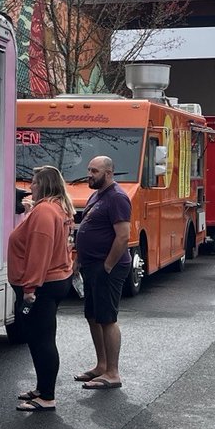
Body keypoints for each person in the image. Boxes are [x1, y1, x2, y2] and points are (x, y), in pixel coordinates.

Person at [9, 166, 75, 412]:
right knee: (40, 338)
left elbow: (39, 253)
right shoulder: (54, 208)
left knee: (43, 339)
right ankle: (41, 388)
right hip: (53, 281)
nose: (30, 187)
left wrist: (29, 288)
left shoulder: (45, 212)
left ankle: (47, 396)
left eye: (35, 183)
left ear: (44, 186)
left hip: (42, 285)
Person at [74, 155, 131, 391]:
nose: (89, 174)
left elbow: (123, 236)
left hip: (107, 266)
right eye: (89, 170)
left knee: (107, 318)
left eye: (94, 171)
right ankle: (101, 365)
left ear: (108, 173)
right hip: (91, 265)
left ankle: (113, 373)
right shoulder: (97, 195)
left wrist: (108, 265)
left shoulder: (117, 197)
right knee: (93, 315)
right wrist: (79, 260)